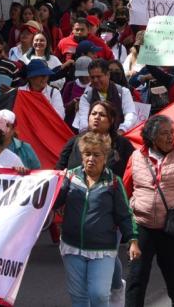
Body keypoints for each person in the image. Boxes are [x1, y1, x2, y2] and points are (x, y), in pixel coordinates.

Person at [123, 114, 174, 307]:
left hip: (170, 229)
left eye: (172, 133)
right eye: (164, 133)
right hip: (141, 227)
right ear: (152, 137)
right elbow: (123, 191)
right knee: (136, 277)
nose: (170, 137)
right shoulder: (136, 157)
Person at [55, 131, 140, 307]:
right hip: (72, 247)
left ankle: (117, 289)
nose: (91, 159)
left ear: (105, 156)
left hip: (102, 249)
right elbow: (52, 201)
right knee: (79, 298)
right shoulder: (70, 177)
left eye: (96, 155)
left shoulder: (114, 182)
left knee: (99, 295)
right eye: (87, 154)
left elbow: (125, 215)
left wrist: (133, 240)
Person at [59, 101, 135, 177]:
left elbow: (133, 170)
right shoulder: (75, 141)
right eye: (93, 114)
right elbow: (59, 168)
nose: (96, 117)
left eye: (102, 115)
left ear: (111, 120)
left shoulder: (122, 144)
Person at [75, 59, 139, 132]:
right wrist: (87, 135)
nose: (95, 80)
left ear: (108, 75)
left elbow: (130, 114)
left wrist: (122, 130)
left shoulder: (123, 92)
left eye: (99, 76)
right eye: (92, 77)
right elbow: (83, 120)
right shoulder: (86, 97)